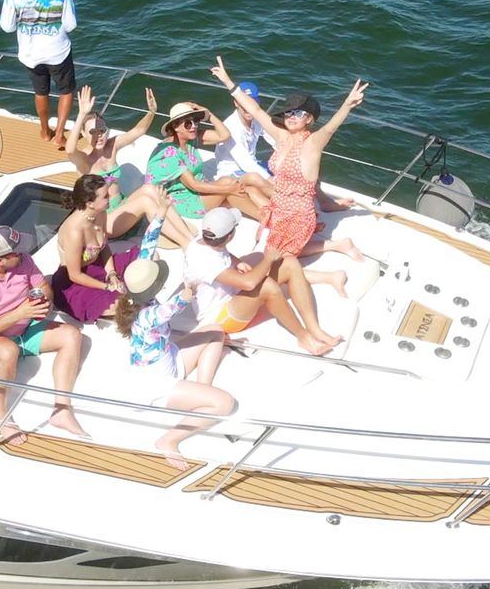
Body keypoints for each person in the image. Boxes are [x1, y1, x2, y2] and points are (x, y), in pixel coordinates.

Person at [208, 57, 367, 261]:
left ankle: (338, 244)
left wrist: (347, 105)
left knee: (276, 256)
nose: (291, 116)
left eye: (299, 113)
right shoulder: (281, 137)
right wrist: (228, 82)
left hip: (299, 215)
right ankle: (328, 241)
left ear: (309, 119)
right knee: (266, 251)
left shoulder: (312, 144)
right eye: (289, 113)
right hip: (278, 207)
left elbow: (329, 129)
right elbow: (255, 110)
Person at [112, 212, 236, 470]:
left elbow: (147, 246)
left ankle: (201, 391)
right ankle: (169, 440)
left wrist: (160, 214)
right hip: (157, 387)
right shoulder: (146, 317)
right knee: (225, 404)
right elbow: (172, 308)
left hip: (171, 357)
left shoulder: (136, 290)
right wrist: (190, 290)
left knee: (215, 330)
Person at [0, 225, 89, 443]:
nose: (23, 254)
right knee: (8, 351)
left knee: (72, 336)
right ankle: (0, 416)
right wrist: (20, 313)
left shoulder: (22, 260)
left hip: (23, 328)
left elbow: (43, 286)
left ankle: (61, 409)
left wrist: (44, 301)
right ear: (1, 260)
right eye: (17, 252)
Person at [185, 207, 340, 355]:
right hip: (218, 317)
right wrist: (269, 258)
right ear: (230, 236)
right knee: (267, 286)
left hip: (234, 295)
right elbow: (249, 284)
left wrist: (237, 262)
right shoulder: (208, 262)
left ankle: (314, 328)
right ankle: (303, 337)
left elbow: (221, 253)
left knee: (290, 263)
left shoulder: (204, 239)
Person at [64, 85, 195, 244]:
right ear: (83, 133)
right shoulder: (84, 159)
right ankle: (186, 243)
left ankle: (190, 237)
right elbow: (70, 150)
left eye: (102, 130)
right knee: (146, 201)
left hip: (121, 205)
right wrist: (82, 114)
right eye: (92, 132)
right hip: (104, 220)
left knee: (151, 188)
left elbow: (138, 131)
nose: (99, 136)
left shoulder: (111, 146)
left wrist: (151, 111)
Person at [0, 0, 77, 147]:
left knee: (41, 92)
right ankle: (59, 135)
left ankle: (44, 131)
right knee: (66, 91)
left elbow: (7, 27)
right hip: (58, 51)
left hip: (30, 54)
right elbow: (71, 24)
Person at [48, 174, 154, 322]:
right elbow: (74, 275)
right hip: (75, 281)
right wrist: (106, 287)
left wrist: (111, 273)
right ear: (90, 203)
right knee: (117, 305)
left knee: (149, 256)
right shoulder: (74, 232)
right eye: (105, 196)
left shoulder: (101, 214)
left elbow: (103, 248)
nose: (110, 198)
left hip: (98, 266)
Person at [145, 102, 261, 221]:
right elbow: (194, 185)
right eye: (188, 123)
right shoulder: (169, 152)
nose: (194, 126)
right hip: (183, 200)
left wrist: (209, 115)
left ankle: (270, 216)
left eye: (195, 121)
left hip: (197, 190)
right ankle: (265, 219)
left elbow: (224, 135)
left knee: (244, 188)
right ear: (175, 127)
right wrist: (229, 189)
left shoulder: (189, 138)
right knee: (231, 188)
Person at [197, 80, 276, 211]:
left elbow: (274, 140)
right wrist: (268, 179)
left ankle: (287, 205)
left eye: (251, 102)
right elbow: (245, 162)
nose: (247, 108)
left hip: (251, 165)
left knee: (280, 170)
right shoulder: (231, 126)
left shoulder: (256, 119)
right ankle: (288, 203)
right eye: (243, 103)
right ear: (236, 103)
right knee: (256, 178)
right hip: (231, 172)